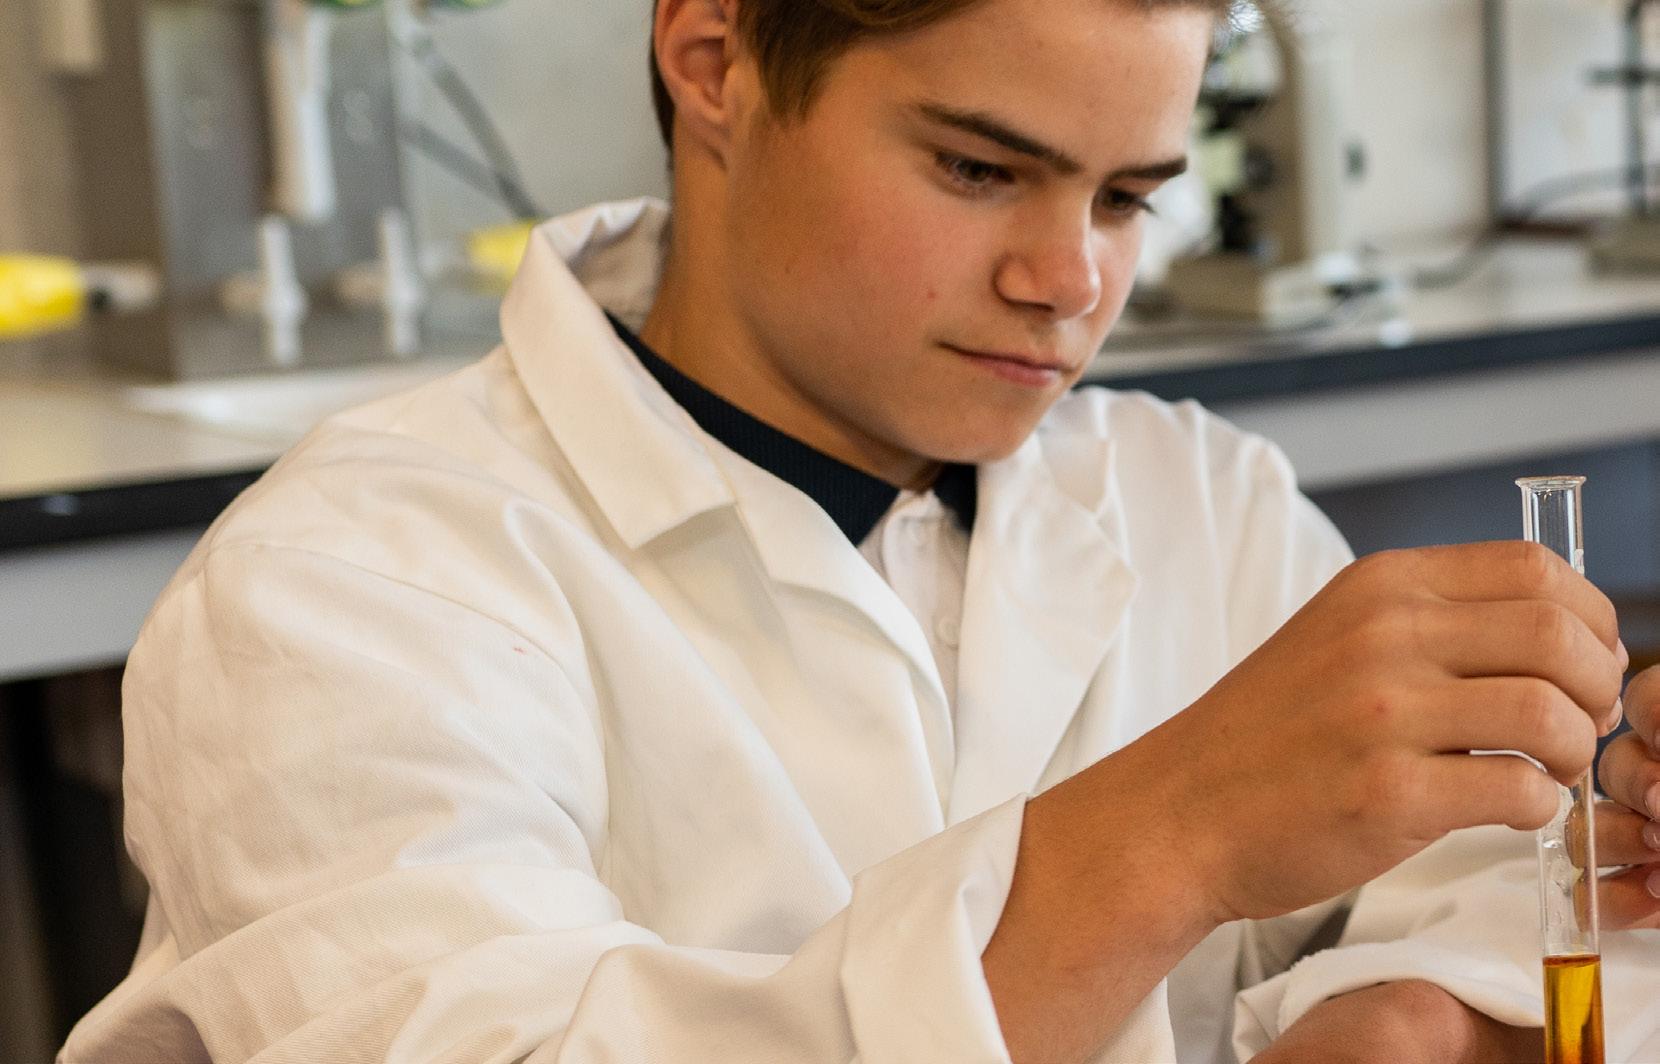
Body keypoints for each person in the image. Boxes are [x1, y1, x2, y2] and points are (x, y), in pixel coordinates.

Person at [62, 0, 1660, 1060]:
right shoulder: (351, 585)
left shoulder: (1203, 504)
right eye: (979, 167)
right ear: (715, 60)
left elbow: (1510, 911)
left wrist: (1420, 1010)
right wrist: (1169, 835)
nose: (1069, 280)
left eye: (1125, 198)